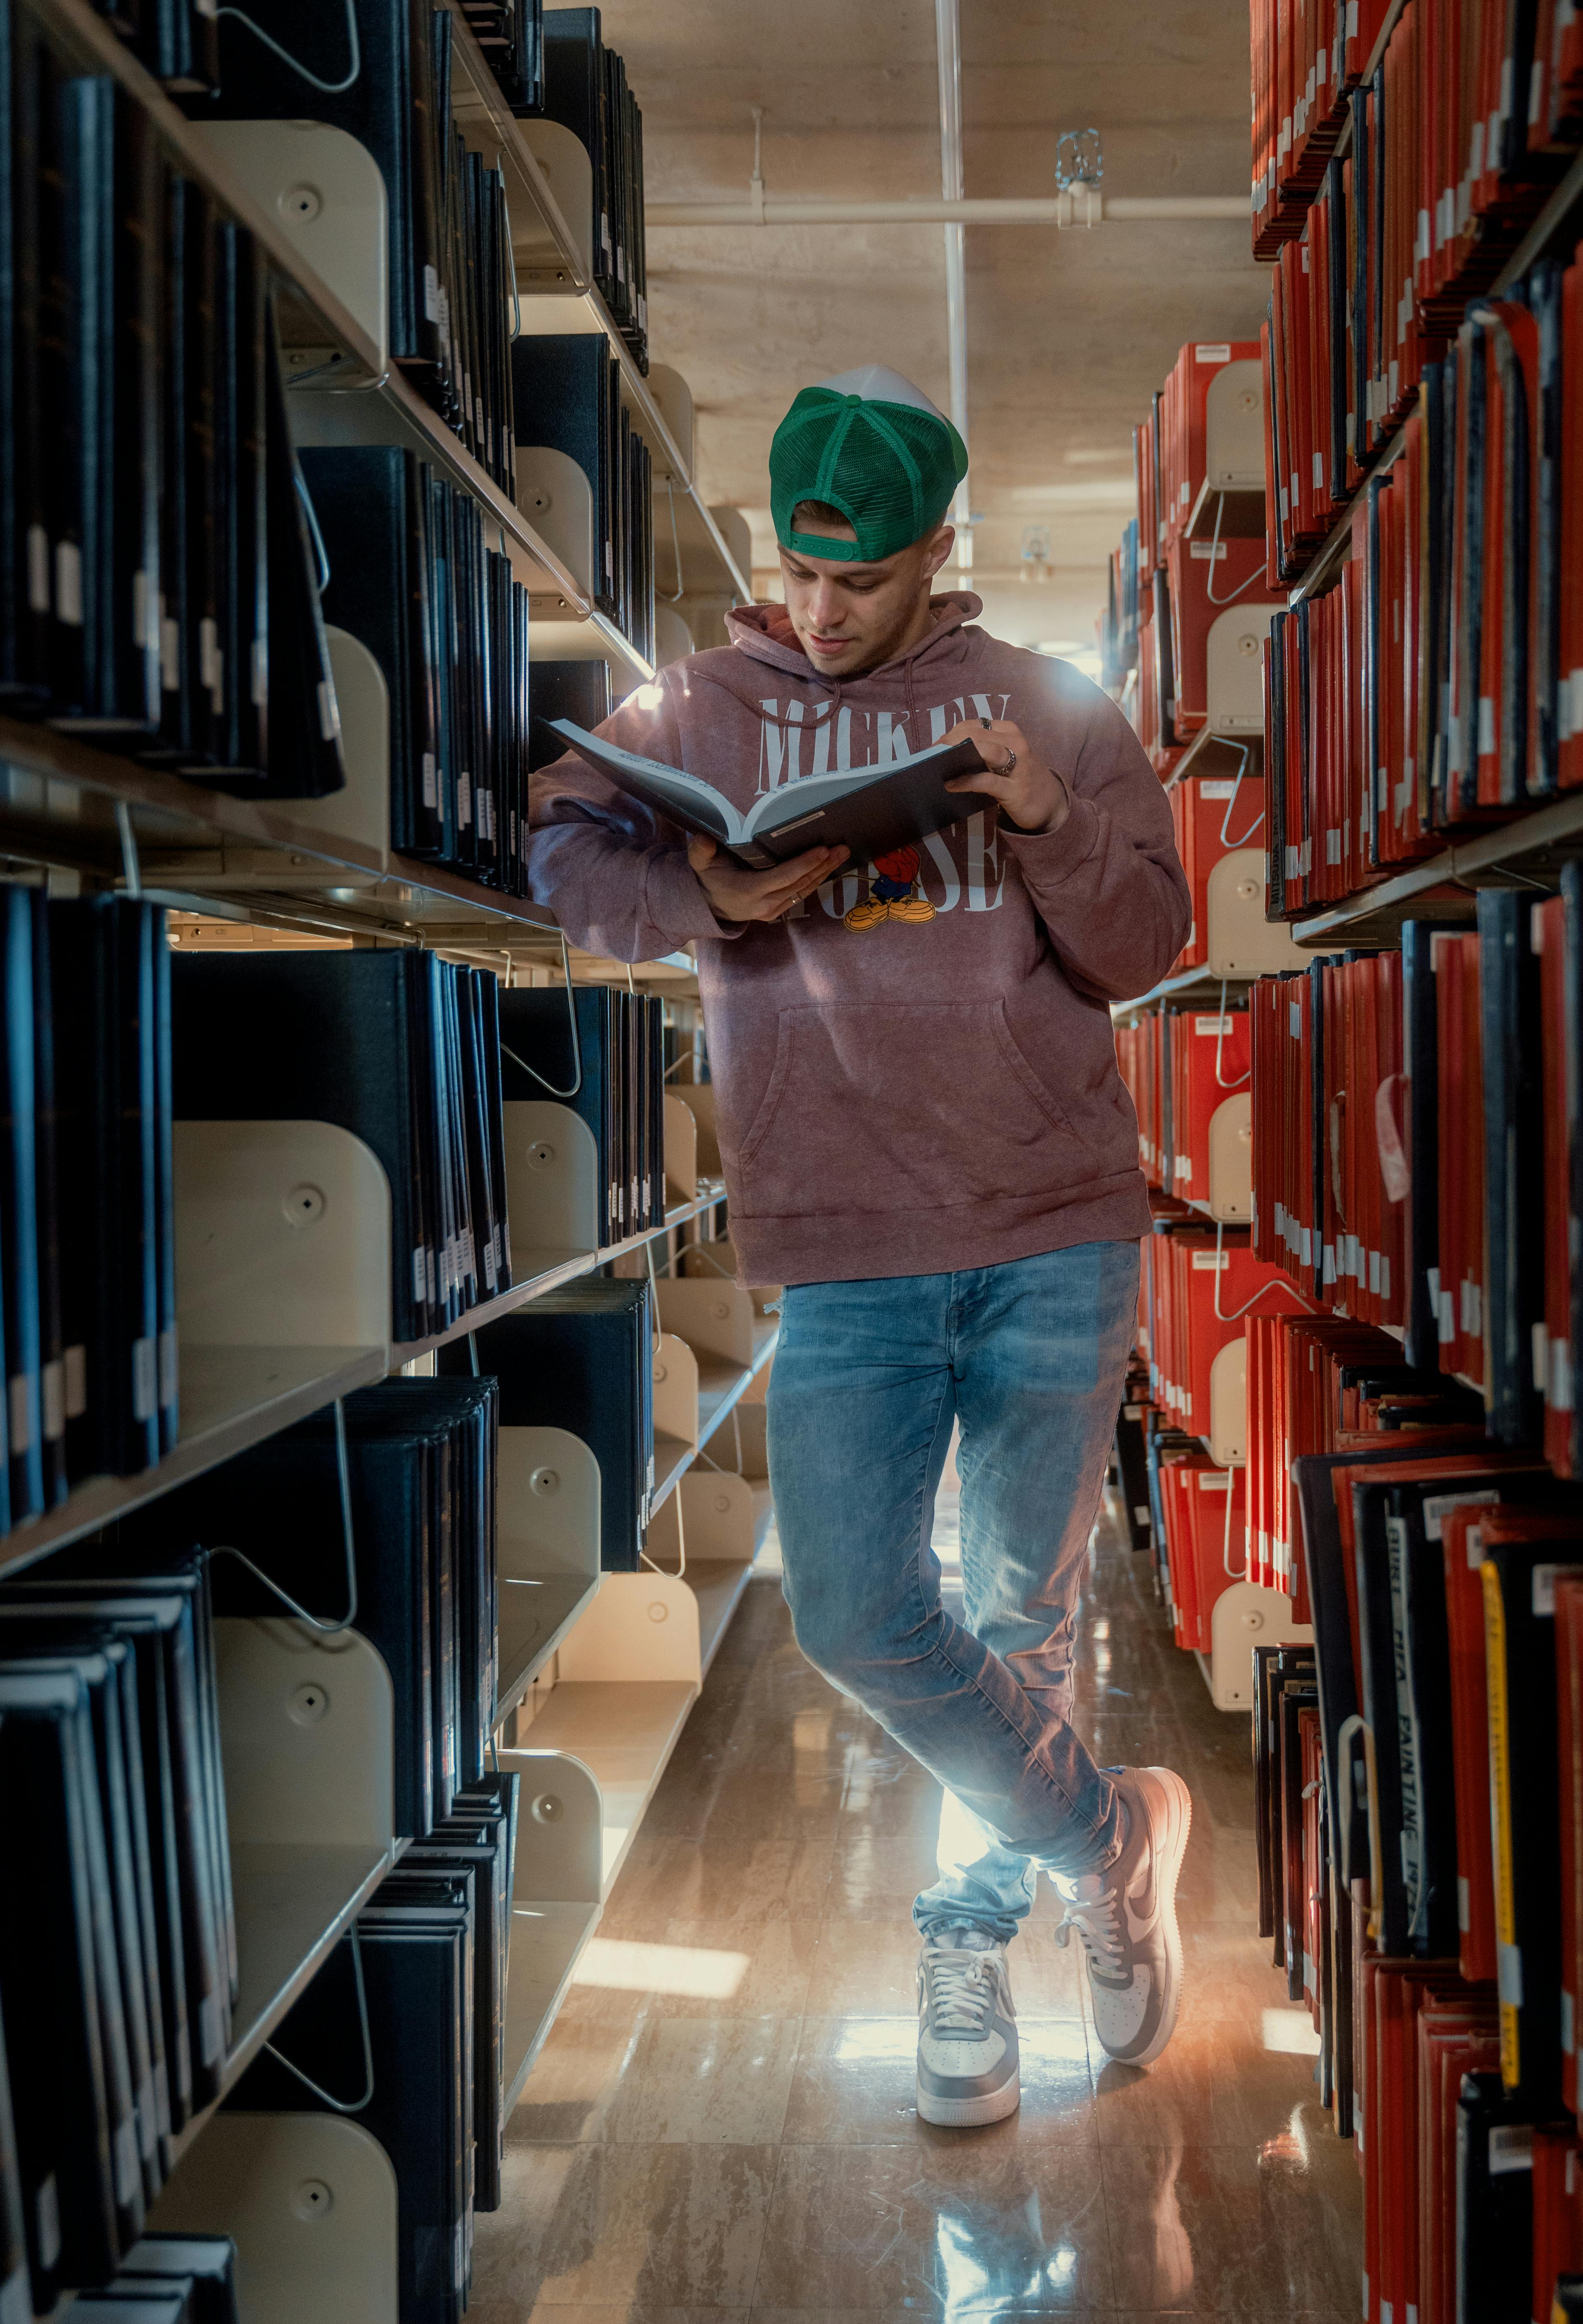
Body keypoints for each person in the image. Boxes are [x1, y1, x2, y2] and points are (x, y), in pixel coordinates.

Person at [529, 362, 1194, 2128]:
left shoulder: (1046, 705)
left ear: (937, 553)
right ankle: (1110, 1836)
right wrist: (701, 896)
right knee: (852, 1611)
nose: (819, 616)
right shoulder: (700, 706)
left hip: (1054, 1227)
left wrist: (1041, 818)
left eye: (862, 581)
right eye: (799, 573)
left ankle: (974, 1920)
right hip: (838, 1241)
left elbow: (1145, 943)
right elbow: (562, 851)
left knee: (1015, 1613)